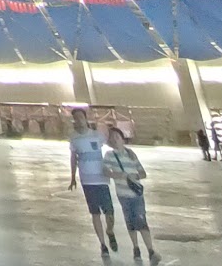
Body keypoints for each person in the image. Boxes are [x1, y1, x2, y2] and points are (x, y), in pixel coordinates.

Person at [103, 127, 159, 264]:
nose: (115, 139)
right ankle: (136, 248)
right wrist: (117, 175)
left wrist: (135, 175)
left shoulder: (131, 154)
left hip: (136, 194)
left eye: (117, 136)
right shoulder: (110, 155)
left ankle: (151, 251)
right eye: (112, 137)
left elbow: (143, 173)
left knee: (142, 221)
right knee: (130, 222)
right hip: (123, 195)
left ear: (123, 139)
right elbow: (105, 171)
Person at [68, 108, 117, 256]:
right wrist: (73, 177)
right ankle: (103, 245)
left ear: (85, 118)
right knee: (95, 213)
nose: (79, 120)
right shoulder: (74, 138)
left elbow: (112, 147)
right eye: (76, 118)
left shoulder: (97, 136)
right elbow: (73, 158)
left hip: (101, 179)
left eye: (81, 117)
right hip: (87, 181)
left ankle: (109, 231)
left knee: (110, 213)